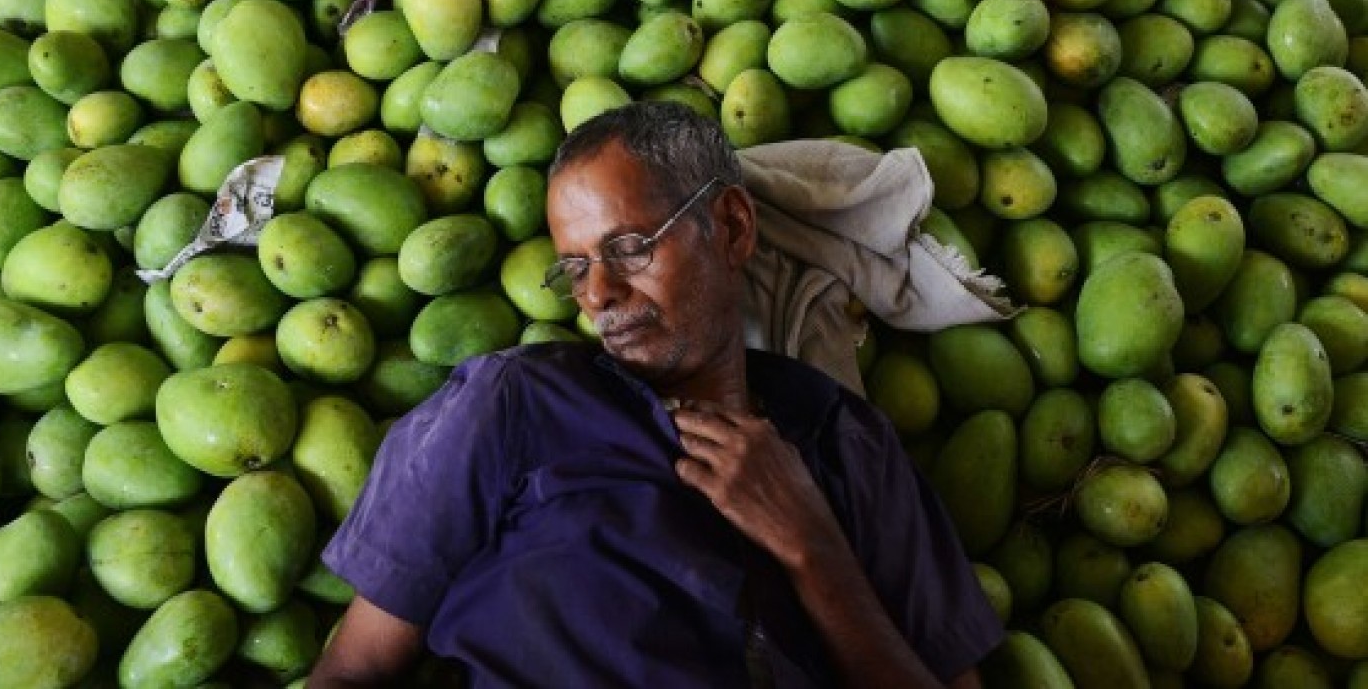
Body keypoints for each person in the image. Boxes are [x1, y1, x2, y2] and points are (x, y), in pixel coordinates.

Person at [311, 102, 1004, 688]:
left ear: (732, 226)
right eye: (575, 268)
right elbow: (348, 673)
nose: (599, 295)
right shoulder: (514, 403)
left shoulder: (846, 443)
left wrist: (814, 549)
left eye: (632, 246)